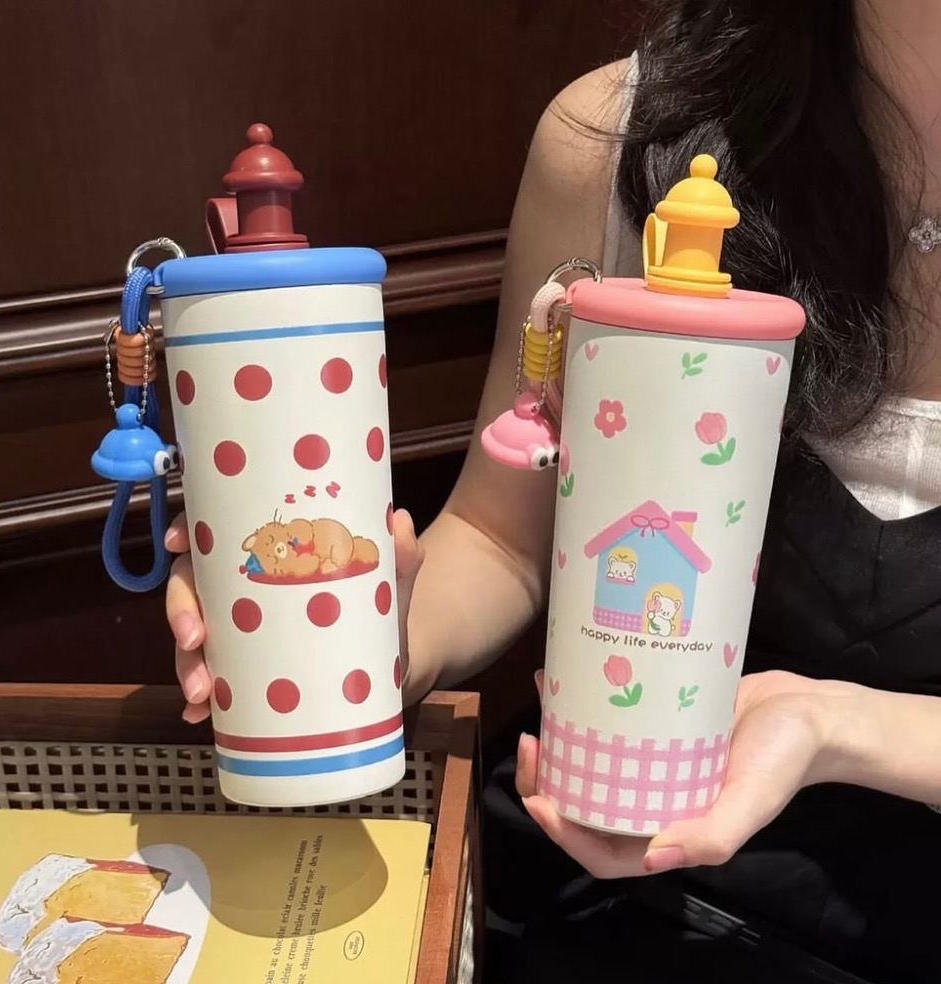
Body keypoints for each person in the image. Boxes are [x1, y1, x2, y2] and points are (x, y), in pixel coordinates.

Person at [164, 2, 941, 980]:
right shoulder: (624, 137)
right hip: (628, 887)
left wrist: (839, 727)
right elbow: (501, 538)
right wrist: (354, 642)